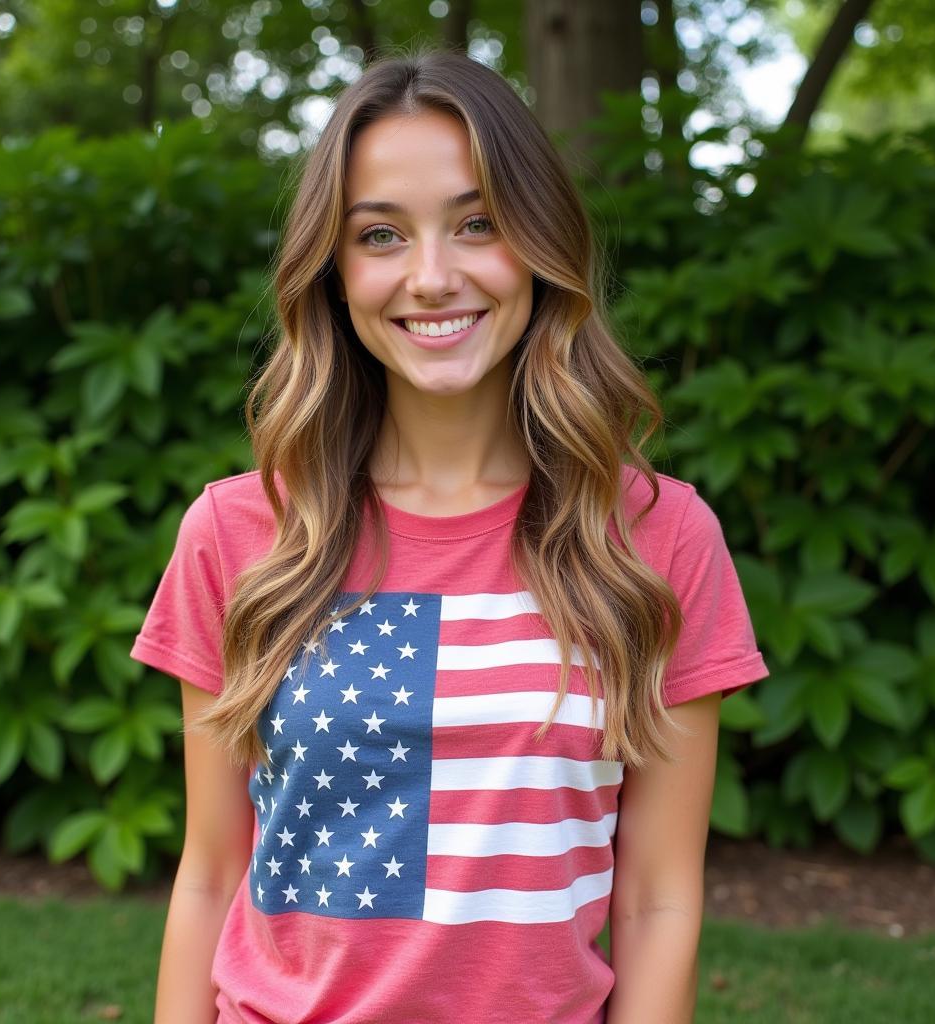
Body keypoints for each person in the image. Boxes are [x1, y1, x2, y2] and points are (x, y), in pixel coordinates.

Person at [130, 44, 769, 1024]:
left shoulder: (656, 536)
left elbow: (657, 898)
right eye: (379, 235)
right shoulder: (238, 530)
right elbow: (213, 870)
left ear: (540, 244)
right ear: (333, 271)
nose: (432, 276)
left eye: (477, 224)